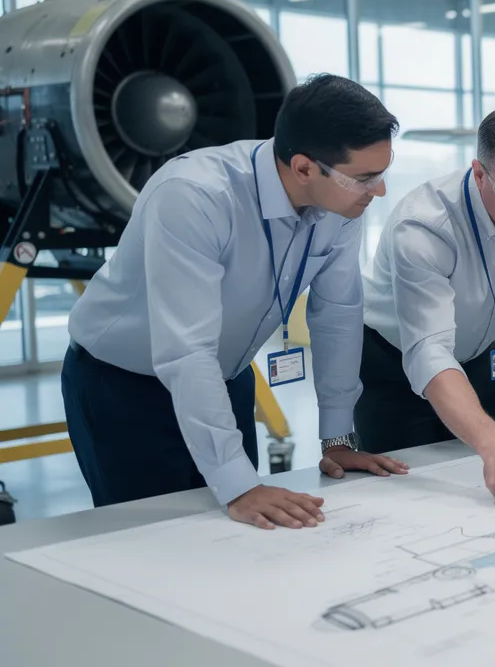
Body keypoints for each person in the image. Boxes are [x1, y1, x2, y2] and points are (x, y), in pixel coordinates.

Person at [62, 74, 408, 530]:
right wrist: (240, 486)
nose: (378, 191)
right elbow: (187, 350)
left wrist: (337, 439)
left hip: (227, 377)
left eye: (382, 173)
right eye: (365, 178)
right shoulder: (194, 195)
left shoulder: (340, 203)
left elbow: (338, 315)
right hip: (124, 387)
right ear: (304, 168)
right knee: (151, 543)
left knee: (234, 537)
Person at [358, 102, 495, 516]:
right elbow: (429, 350)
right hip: (395, 364)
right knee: (411, 502)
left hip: (482, 354)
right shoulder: (423, 226)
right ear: (479, 174)